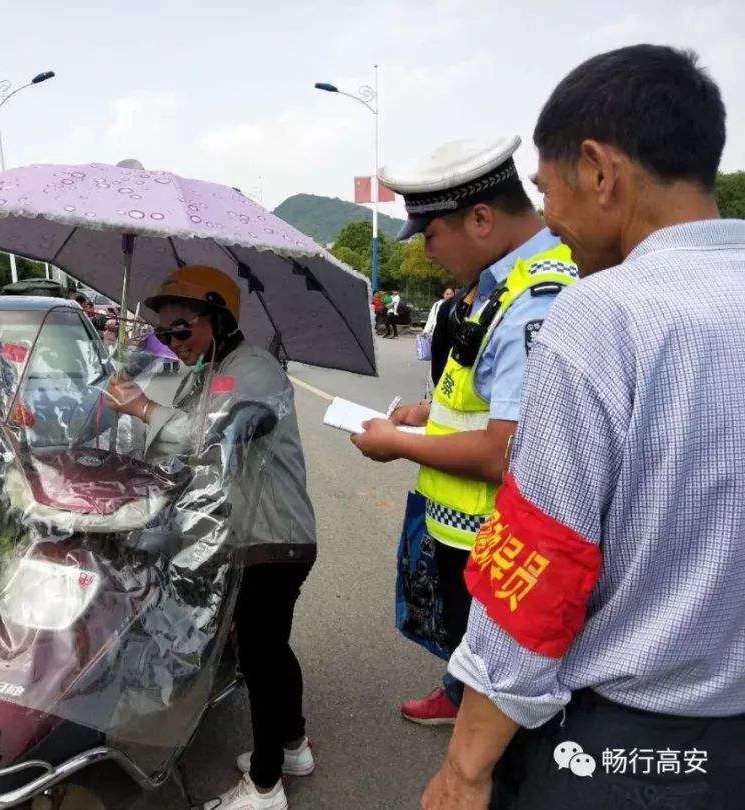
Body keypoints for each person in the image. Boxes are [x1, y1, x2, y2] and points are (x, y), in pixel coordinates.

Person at [422, 45, 745, 810]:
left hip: (622, 746)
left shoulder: (603, 314)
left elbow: (540, 574)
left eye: (546, 187)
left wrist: (465, 766)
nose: (550, 219)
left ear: (599, 170)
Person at [351, 137, 577, 726]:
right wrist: (425, 413)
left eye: (429, 235)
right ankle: (460, 700)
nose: (426, 252)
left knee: (497, 672)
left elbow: (507, 449)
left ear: (480, 217)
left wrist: (396, 443)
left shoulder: (537, 297)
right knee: (467, 644)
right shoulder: (498, 283)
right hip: (466, 527)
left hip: (497, 532)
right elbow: (487, 393)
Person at [106, 265, 316, 810]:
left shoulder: (254, 371)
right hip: (238, 535)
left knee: (261, 657)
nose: (173, 343)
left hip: (269, 538)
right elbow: (169, 444)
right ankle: (292, 747)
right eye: (165, 332)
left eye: (183, 329)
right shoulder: (206, 370)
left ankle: (267, 787)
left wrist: (145, 408)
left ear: (217, 318)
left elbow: (218, 439)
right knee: (266, 649)